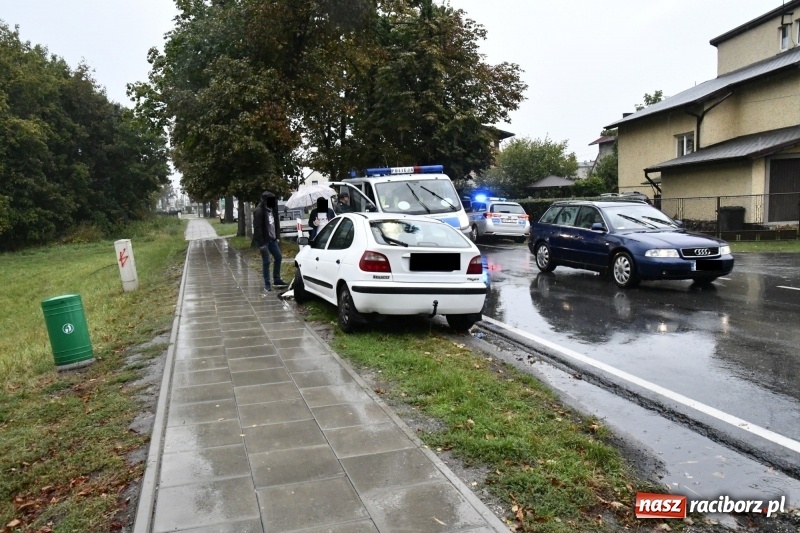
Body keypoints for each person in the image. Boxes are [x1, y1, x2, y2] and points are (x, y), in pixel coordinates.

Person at [253, 191, 288, 292]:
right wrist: (261, 244)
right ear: (265, 200)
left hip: (272, 240)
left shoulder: (273, 209)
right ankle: (267, 284)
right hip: (264, 241)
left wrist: (277, 236)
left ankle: (277, 280)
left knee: (278, 257)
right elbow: (257, 228)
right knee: (266, 262)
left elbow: (276, 223)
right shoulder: (259, 211)